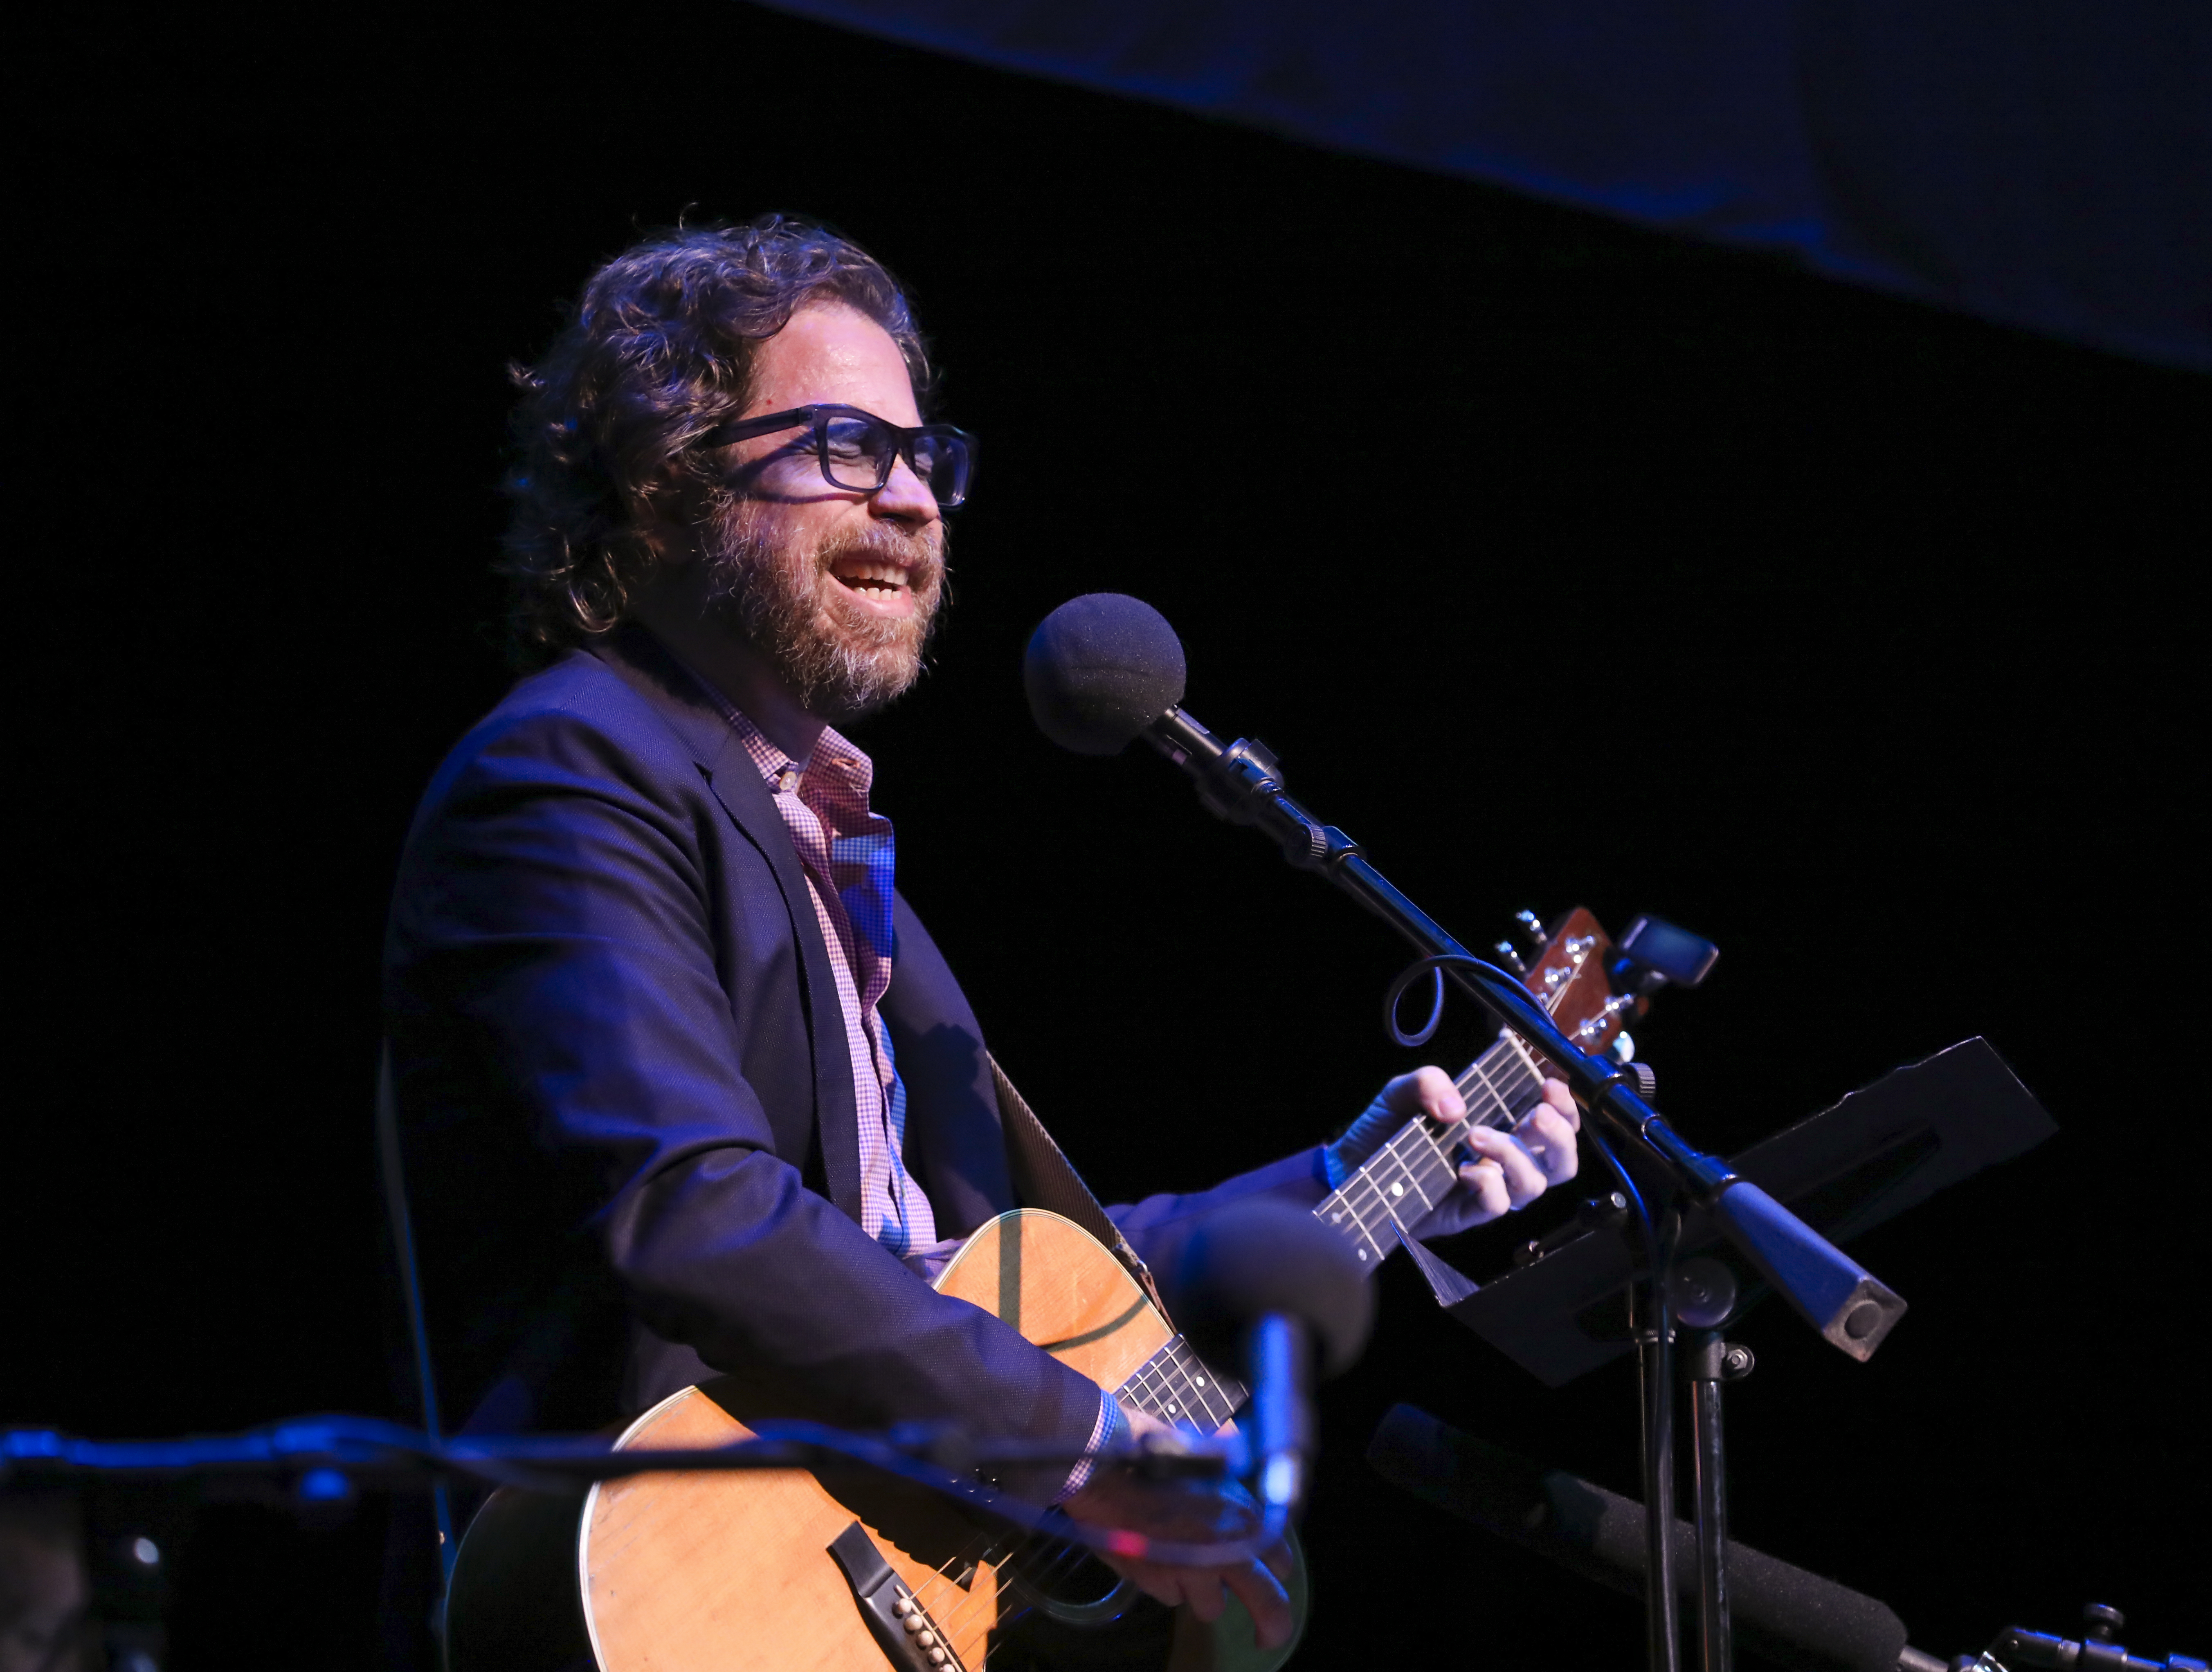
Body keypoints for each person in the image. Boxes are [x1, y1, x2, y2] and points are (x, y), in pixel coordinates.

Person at [382, 215, 1580, 1652]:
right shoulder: (576, 766)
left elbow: (1010, 1276)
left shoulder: (837, 857)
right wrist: (1087, 1446)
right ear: (660, 481)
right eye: (843, 446)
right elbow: (693, 1207)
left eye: (924, 456)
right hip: (669, 1599)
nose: (911, 500)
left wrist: (1371, 1176)